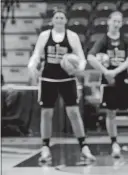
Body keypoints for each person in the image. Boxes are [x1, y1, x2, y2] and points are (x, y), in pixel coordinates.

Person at [27, 9, 95, 163]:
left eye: (61, 17)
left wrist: (79, 69)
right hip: (48, 78)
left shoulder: (72, 36)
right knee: (46, 113)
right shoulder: (44, 36)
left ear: (66, 20)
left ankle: (84, 146)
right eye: (56, 17)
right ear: (52, 21)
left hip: (67, 79)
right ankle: (45, 147)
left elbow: (81, 58)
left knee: (74, 113)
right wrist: (32, 65)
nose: (59, 19)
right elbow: (37, 54)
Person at [87, 11, 128, 159]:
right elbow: (90, 56)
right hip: (108, 81)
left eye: (119, 21)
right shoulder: (103, 40)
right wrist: (105, 71)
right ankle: (114, 144)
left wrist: (114, 71)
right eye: (114, 21)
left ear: (121, 24)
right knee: (111, 113)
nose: (116, 24)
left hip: (123, 79)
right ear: (108, 22)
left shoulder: (126, 40)